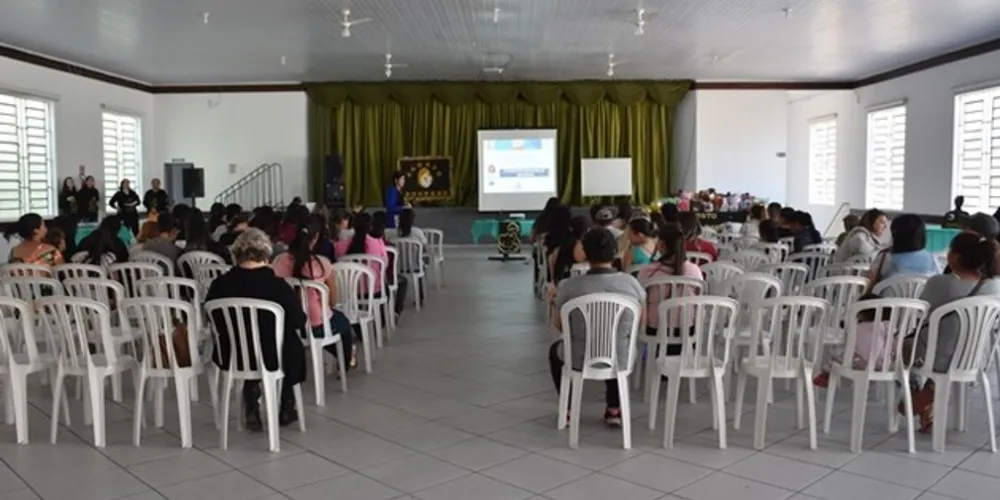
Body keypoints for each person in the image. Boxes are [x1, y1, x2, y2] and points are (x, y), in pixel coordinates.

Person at [206, 229, 307, 429]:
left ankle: (251, 396)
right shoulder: (279, 287)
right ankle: (287, 404)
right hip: (273, 356)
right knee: (292, 343)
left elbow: (211, 318)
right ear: (267, 255)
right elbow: (298, 320)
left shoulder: (220, 285)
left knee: (247, 339)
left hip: (233, 355)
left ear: (236, 254)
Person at [900, 233, 1000, 433]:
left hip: (936, 358)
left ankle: (914, 391)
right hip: (977, 358)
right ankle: (931, 390)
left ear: (955, 256)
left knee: (901, 346)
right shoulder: (995, 286)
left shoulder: (940, 283)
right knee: (946, 343)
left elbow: (921, 314)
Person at [549, 228, 646, 427]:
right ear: (615, 251)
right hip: (621, 357)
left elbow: (559, 324)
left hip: (578, 356)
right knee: (616, 340)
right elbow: (640, 322)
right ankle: (614, 408)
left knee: (554, 351)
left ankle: (568, 408)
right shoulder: (632, 284)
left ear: (585, 252)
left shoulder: (569, 286)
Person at [272, 215, 357, 370]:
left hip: (287, 324)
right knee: (342, 322)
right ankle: (347, 358)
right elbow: (332, 301)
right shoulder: (322, 264)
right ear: (316, 237)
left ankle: (346, 356)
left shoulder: (279, 261)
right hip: (315, 324)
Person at [637, 225, 703, 354]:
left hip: (655, 330)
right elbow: (699, 301)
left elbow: (640, 300)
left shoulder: (648, 272)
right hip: (686, 330)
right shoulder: (694, 270)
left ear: (661, 245)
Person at [813, 293, 891, 387]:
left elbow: (852, 346)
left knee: (839, 354)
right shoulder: (888, 327)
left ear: (861, 313)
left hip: (862, 364)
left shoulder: (858, 328)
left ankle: (826, 372)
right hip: (883, 364)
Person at [867, 214, 938, 288]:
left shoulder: (884, 258)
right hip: (921, 295)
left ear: (896, 235)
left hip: (887, 295)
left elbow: (870, 280)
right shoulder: (932, 259)